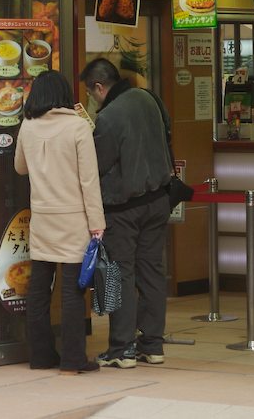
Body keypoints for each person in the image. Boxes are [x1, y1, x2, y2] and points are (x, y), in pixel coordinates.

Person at [79, 57, 172, 369]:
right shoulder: (149, 99)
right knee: (152, 272)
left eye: (90, 93)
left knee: (120, 274)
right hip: (158, 200)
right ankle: (153, 346)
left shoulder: (109, 117)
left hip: (124, 208)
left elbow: (98, 164)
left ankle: (122, 349)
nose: (91, 100)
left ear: (99, 87)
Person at [13, 70, 106, 375]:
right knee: (72, 291)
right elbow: (89, 180)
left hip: (42, 217)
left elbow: (20, 167)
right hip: (73, 218)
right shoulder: (77, 126)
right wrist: (97, 222)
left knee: (39, 289)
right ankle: (73, 359)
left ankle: (41, 356)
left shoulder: (28, 125)